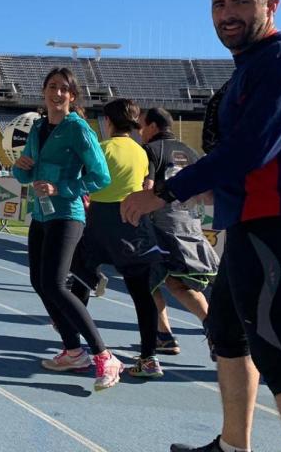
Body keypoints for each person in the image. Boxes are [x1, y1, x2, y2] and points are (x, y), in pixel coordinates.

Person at [122, 0, 281, 451]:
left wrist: (166, 191)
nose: (228, 14)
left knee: (279, 352)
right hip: (244, 223)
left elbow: (253, 148)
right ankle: (234, 445)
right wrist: (213, 189)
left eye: (242, 2)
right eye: (219, 5)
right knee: (227, 335)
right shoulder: (248, 69)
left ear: (271, 6)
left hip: (273, 225)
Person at [12, 67, 123, 392]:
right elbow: (26, 176)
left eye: (63, 89)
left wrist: (60, 188)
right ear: (44, 91)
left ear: (72, 96)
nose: (56, 93)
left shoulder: (78, 129)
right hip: (41, 215)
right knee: (39, 281)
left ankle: (104, 355)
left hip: (67, 214)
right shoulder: (38, 128)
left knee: (55, 283)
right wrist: (21, 169)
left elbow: (100, 176)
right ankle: (73, 350)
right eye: (51, 86)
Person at [81, 99, 165, 379]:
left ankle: (75, 347)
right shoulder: (142, 152)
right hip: (133, 222)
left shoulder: (102, 148)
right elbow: (144, 184)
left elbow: (88, 181)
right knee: (142, 293)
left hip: (101, 219)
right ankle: (150, 357)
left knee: (77, 279)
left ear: (108, 121)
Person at [139, 106, 218, 356]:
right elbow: (206, 195)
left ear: (152, 127)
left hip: (159, 227)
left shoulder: (150, 150)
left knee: (145, 283)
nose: (139, 131)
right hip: (190, 225)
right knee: (177, 283)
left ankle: (164, 335)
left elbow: (148, 187)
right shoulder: (191, 152)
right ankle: (209, 330)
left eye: (141, 125)